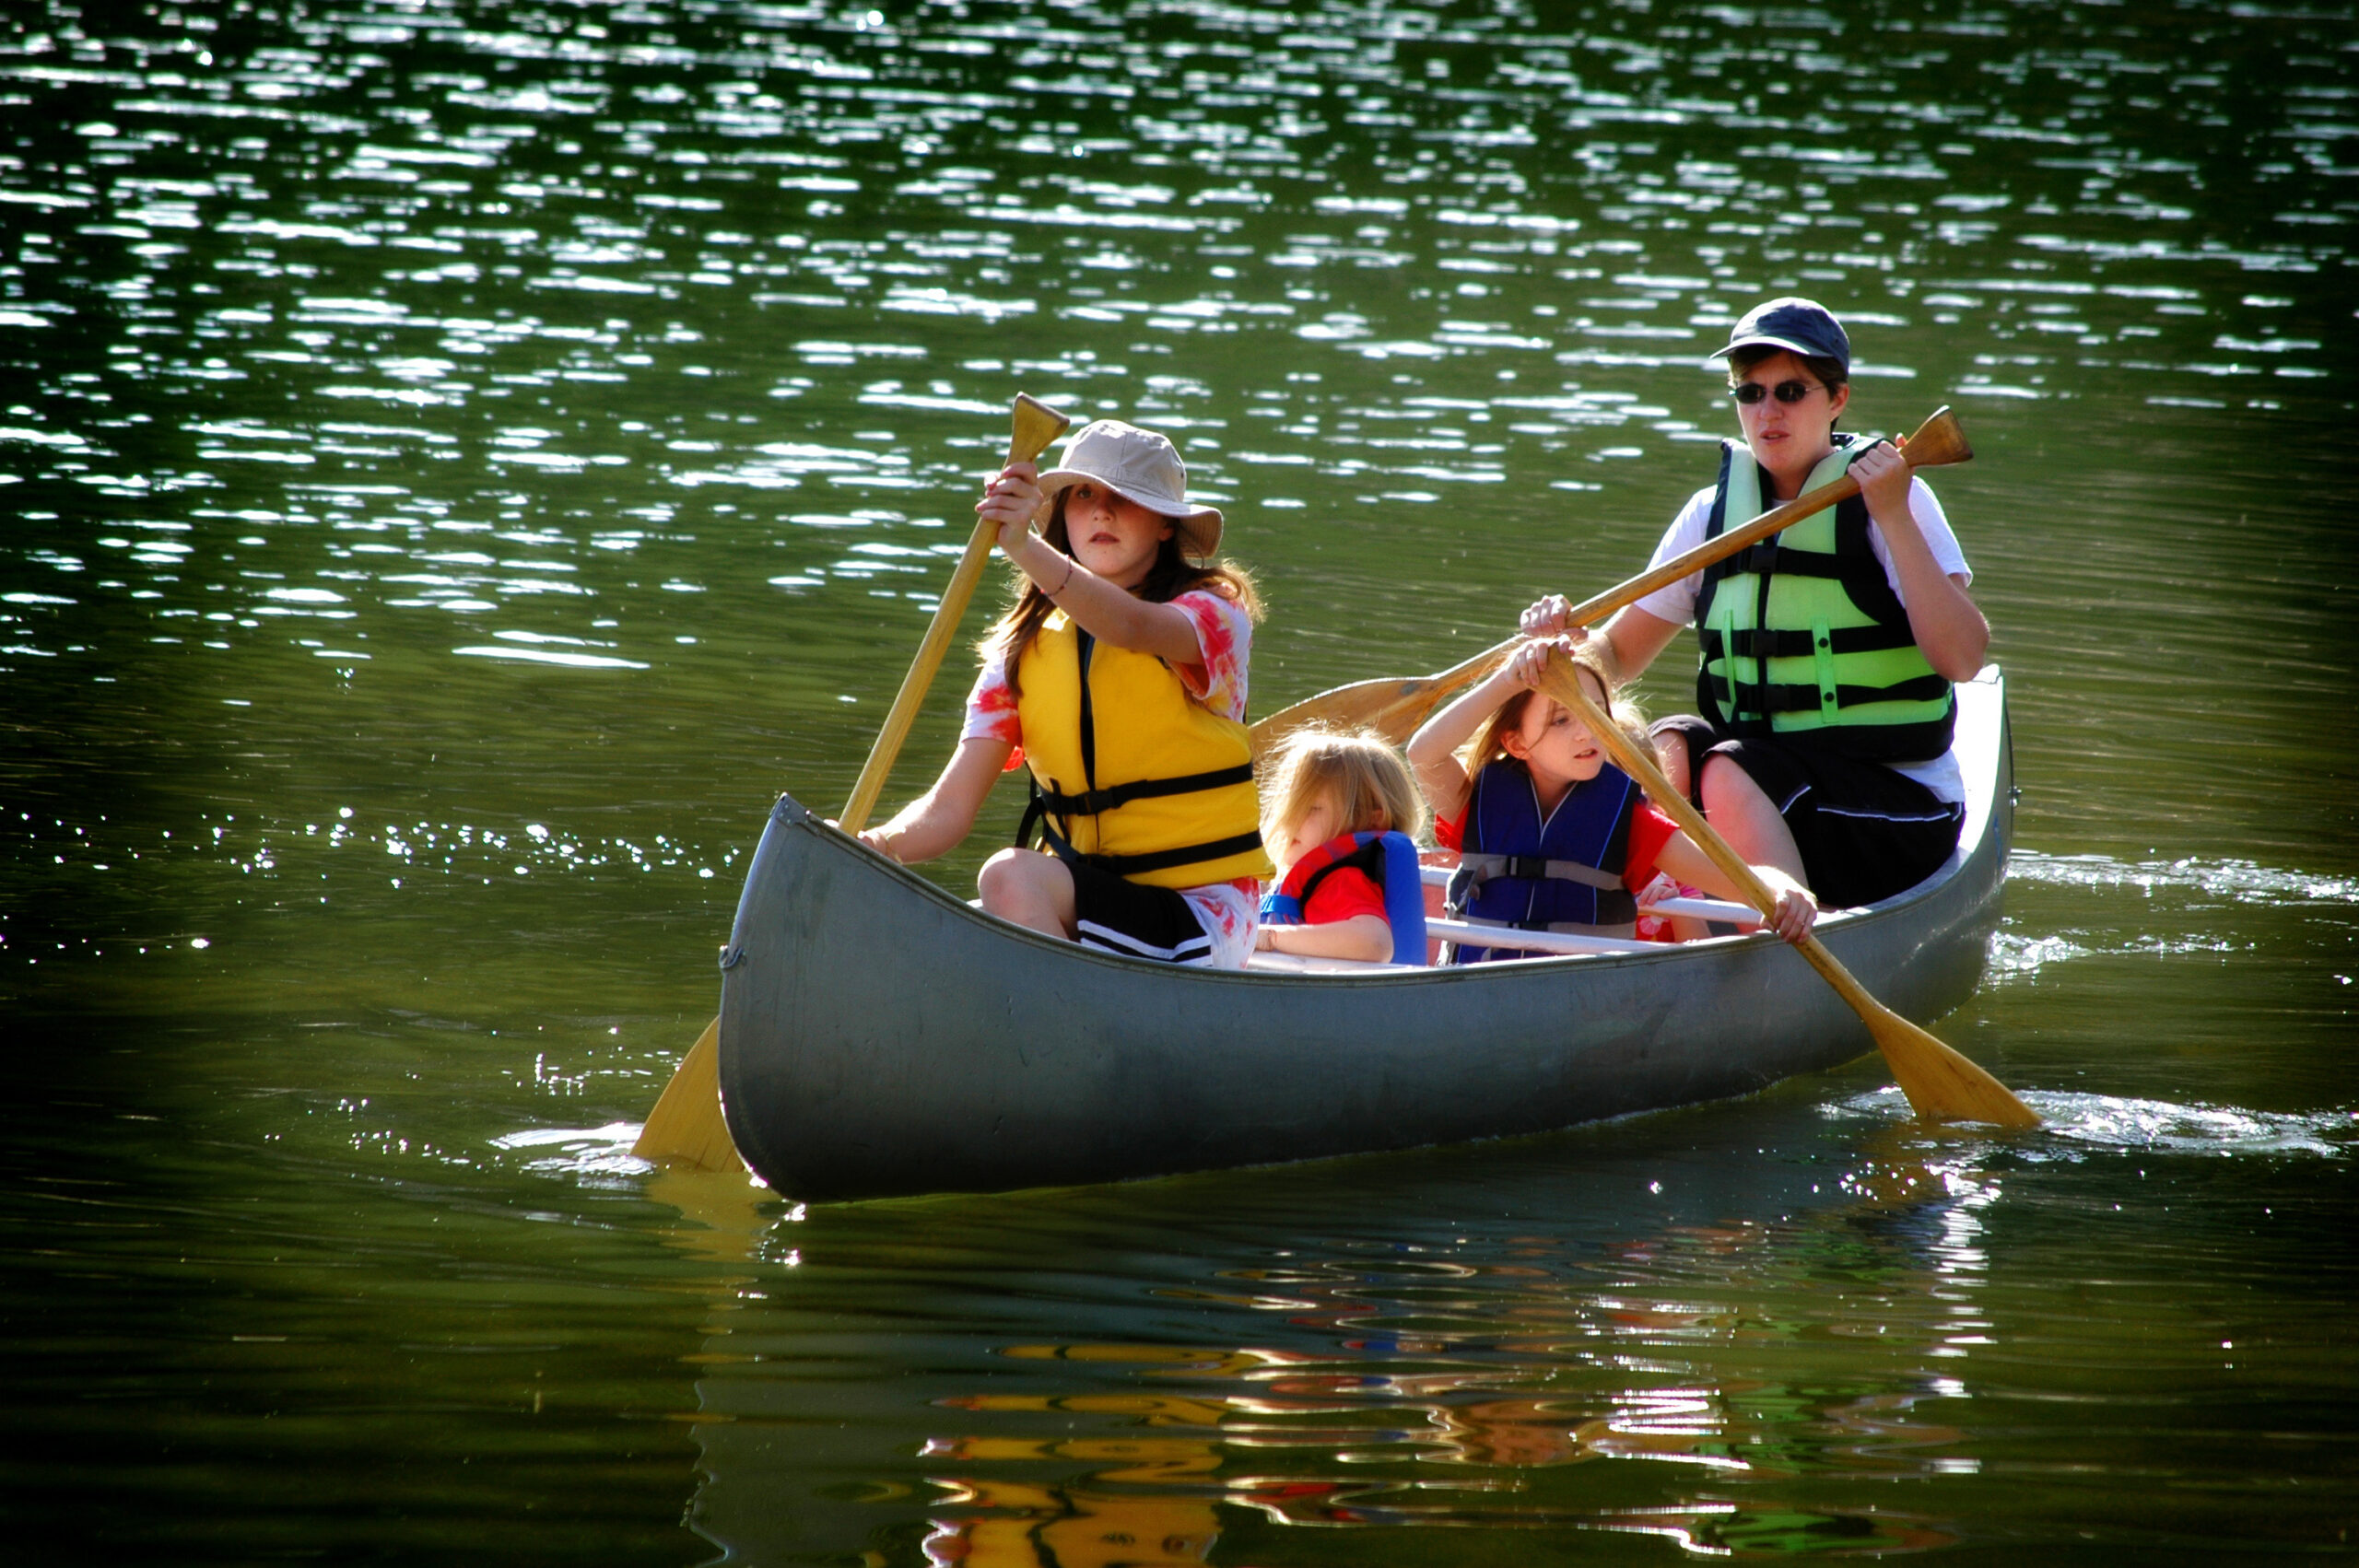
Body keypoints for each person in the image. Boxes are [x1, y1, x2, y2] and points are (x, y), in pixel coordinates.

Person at [1524, 297, 1988, 910]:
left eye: (1791, 391)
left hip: (1896, 808)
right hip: (1767, 785)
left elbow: (1962, 657)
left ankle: (1778, 939)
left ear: (1837, 399)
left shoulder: (1895, 496)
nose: (1768, 412)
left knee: (1727, 768)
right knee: (1664, 747)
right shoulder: (1710, 517)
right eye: (1751, 393)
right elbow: (1615, 655)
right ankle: (1603, 913)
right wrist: (1563, 646)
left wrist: (1894, 514)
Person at [855, 419, 1270, 967]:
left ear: (1167, 526)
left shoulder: (1213, 614)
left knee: (1007, 875)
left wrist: (1022, 546)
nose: (1101, 510)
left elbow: (1132, 629)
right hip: (1089, 902)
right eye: (1083, 494)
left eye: (1124, 498)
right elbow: (949, 810)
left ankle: (1059, 1028)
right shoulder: (1020, 650)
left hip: (1200, 913)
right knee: (985, 899)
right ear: (1064, 516)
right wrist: (869, 847)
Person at [1406, 636, 1817, 963]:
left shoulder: (1629, 821)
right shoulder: (1474, 802)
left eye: (1596, 713)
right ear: (1515, 742)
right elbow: (1422, 754)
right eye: (1561, 720)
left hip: (1582, 1003)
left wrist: (1783, 888)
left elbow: (1737, 878)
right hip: (1477, 992)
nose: (1587, 732)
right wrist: (1506, 681)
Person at [1254, 727, 1429, 965]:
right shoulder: (1322, 881)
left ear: (1370, 819)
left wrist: (1270, 937)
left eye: (1312, 808)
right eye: (1291, 806)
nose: (1290, 819)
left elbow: (1375, 944)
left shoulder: (1340, 881)